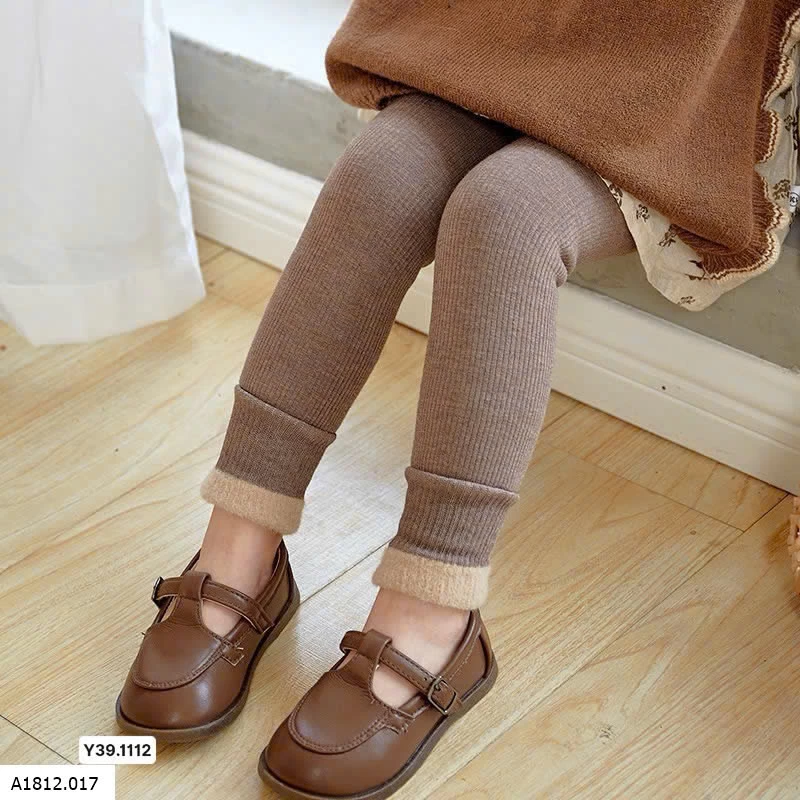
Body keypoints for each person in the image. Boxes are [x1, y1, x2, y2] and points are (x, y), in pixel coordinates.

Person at [116, 2, 799, 798]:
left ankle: (433, 606)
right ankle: (241, 537)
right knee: (380, 178)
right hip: (506, 39)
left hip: (684, 86)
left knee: (508, 214)